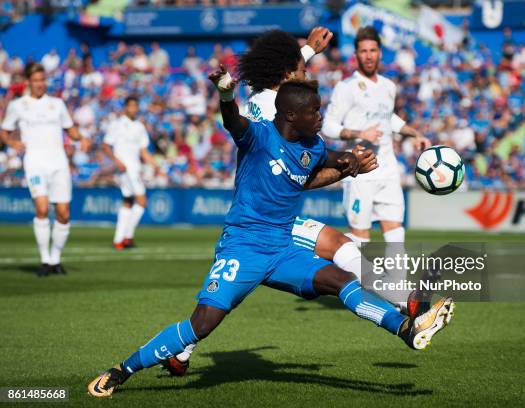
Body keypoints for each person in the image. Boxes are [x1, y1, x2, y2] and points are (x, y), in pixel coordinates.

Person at [86, 73, 454, 399]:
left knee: (341, 279)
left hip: (282, 248)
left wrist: (353, 162)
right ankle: (123, 370)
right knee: (201, 325)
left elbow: (333, 156)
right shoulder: (259, 137)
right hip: (243, 247)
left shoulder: (312, 146)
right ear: (292, 116)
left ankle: (404, 328)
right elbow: (233, 122)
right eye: (315, 111)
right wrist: (226, 95)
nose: (321, 115)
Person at [164, 28, 428, 376]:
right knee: (338, 244)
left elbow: (283, 77)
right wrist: (347, 168)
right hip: (263, 217)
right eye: (301, 71)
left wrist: (306, 51)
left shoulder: (270, 98)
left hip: (265, 215)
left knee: (229, 297)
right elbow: (294, 175)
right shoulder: (274, 109)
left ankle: (181, 349)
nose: (307, 76)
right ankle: (406, 301)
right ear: (286, 76)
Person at [322, 26, 429, 244]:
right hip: (360, 171)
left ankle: (396, 280)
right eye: (363, 51)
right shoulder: (346, 87)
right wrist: (361, 133)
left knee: (396, 233)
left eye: (372, 50)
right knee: (360, 237)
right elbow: (328, 126)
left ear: (380, 53)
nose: (368, 56)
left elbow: (388, 118)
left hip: (388, 170)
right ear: (355, 55)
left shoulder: (388, 86)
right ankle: (358, 278)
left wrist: (414, 133)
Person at [0, 63, 89, 276]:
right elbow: (5, 131)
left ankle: (56, 259)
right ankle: (45, 260)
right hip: (35, 162)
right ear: (28, 82)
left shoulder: (57, 104)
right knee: (41, 208)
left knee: (63, 213)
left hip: (58, 161)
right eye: (36, 80)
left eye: (43, 80)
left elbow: (70, 129)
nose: (40, 84)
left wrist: (81, 138)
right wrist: (13, 144)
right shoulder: (18, 105)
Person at [103, 96, 158, 250]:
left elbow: (143, 150)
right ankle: (127, 236)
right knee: (142, 201)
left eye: (136, 106)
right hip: (125, 169)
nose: (134, 109)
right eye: (131, 106)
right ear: (125, 107)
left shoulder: (139, 127)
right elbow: (106, 145)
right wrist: (116, 161)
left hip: (135, 168)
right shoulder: (116, 124)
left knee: (127, 202)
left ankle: (118, 239)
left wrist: (155, 165)